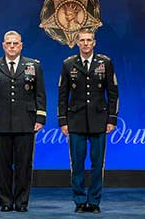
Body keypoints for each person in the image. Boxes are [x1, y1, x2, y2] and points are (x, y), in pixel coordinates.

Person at [0, 30, 46, 212]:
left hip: (26, 122)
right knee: (2, 165)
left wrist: (40, 118)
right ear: (3, 45)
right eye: (8, 43)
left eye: (15, 43)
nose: (12, 47)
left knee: (24, 165)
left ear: (21, 45)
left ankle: (22, 202)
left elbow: (40, 94)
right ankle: (6, 202)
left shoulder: (33, 65)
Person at [58, 29, 119, 214]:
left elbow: (113, 93)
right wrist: (63, 121)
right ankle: (78, 200)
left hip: (99, 120)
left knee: (97, 163)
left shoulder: (105, 63)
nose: (85, 43)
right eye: (82, 40)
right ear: (77, 43)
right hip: (75, 121)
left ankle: (93, 201)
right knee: (76, 163)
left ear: (94, 43)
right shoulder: (69, 64)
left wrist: (112, 119)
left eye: (89, 40)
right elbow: (62, 95)